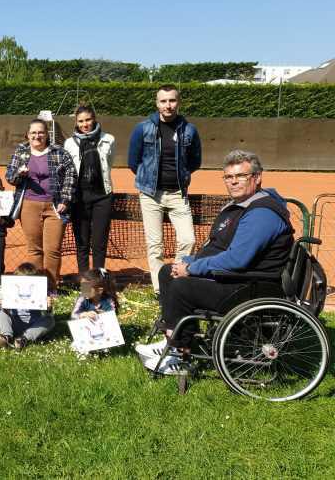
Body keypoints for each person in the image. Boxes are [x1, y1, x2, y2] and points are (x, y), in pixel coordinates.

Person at [135, 150, 293, 373]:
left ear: (257, 178)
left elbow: (237, 259)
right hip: (239, 279)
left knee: (182, 286)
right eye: (228, 177)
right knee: (167, 272)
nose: (234, 181)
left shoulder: (261, 214)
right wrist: (189, 262)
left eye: (241, 176)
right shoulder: (240, 206)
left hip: (251, 287)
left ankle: (179, 354)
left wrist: (191, 269)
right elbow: (218, 247)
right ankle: (177, 341)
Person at [128, 84, 202, 294]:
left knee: (188, 239)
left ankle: (175, 281)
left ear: (178, 102)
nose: (168, 105)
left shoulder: (189, 129)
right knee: (155, 246)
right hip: (151, 195)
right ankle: (161, 290)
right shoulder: (143, 128)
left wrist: (182, 177)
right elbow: (134, 162)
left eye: (172, 100)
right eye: (163, 101)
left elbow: (195, 161)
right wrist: (149, 180)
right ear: (157, 103)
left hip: (178, 194)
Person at [5, 119, 76, 289]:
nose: (37, 136)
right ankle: (35, 289)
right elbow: (10, 177)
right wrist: (20, 174)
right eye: (33, 133)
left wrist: (65, 199)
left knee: (52, 250)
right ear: (28, 135)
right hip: (29, 205)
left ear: (47, 134)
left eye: (41, 132)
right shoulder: (21, 151)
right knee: (34, 249)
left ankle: (51, 289)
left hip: (54, 206)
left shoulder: (60, 152)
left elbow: (71, 176)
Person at [62, 105, 116, 272]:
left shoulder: (109, 139)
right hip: (79, 198)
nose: (85, 124)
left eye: (88, 120)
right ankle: (85, 282)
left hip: (103, 196)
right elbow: (68, 169)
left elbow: (109, 163)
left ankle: (98, 281)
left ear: (94, 119)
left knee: (99, 242)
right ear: (76, 123)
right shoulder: (69, 143)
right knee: (82, 242)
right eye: (81, 121)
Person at [0, 263, 55, 350]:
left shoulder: (40, 294)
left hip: (34, 327)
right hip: (14, 324)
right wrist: (1, 303)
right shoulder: (10, 292)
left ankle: (23, 339)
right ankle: (6, 336)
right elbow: (6, 310)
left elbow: (46, 314)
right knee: (2, 314)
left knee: (49, 320)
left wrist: (48, 307)